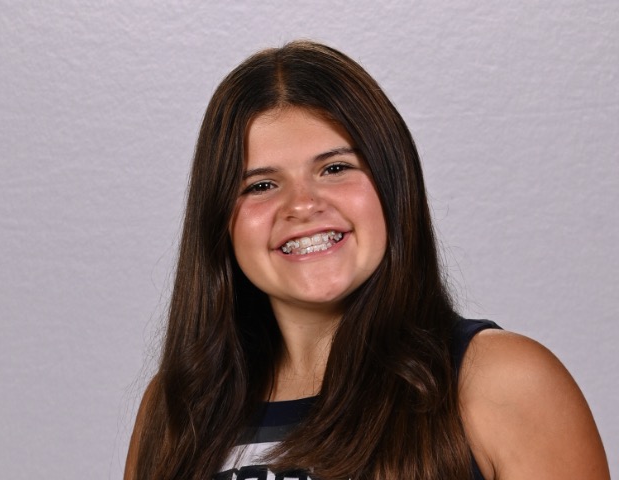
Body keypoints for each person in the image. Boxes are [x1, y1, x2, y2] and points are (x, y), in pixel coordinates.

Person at [124, 41, 609, 480]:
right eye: (261, 185)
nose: (302, 205)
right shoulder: (177, 409)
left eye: (335, 168)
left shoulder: (503, 382)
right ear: (219, 220)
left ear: (394, 185)